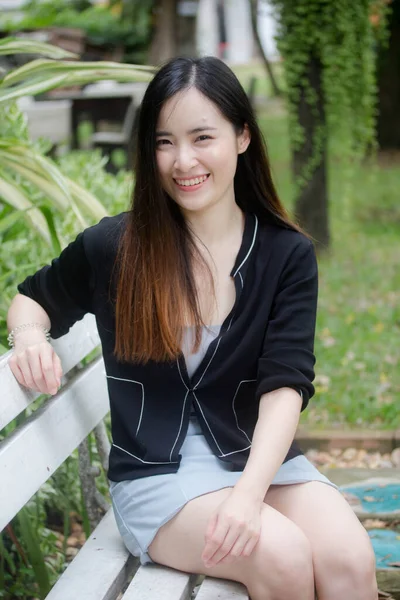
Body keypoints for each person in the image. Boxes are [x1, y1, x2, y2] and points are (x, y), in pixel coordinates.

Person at [7, 57, 378, 600]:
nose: (183, 162)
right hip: (157, 475)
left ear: (243, 136)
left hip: (255, 461)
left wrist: (248, 495)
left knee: (351, 560)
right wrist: (32, 338)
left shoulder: (286, 253)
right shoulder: (115, 249)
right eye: (164, 142)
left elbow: (284, 387)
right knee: (283, 559)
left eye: (203, 137)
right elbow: (31, 299)